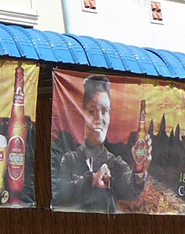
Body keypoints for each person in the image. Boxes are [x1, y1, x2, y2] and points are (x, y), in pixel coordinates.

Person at [53, 75, 145, 213]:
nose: (99, 118)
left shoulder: (114, 164)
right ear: (83, 113)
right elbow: (59, 197)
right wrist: (90, 181)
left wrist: (139, 168)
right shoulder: (69, 161)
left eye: (105, 111)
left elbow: (131, 189)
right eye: (92, 111)